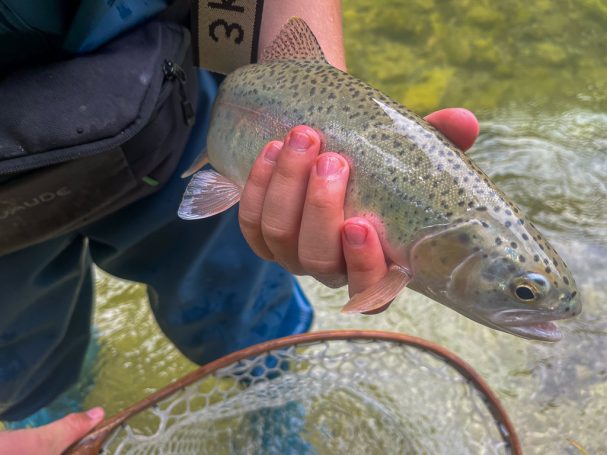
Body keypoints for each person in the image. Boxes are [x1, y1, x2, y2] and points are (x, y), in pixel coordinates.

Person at [0, 0, 480, 452]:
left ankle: (276, 405)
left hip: (181, 116)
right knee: (23, 359)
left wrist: (318, 104)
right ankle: (49, 408)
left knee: (241, 304)